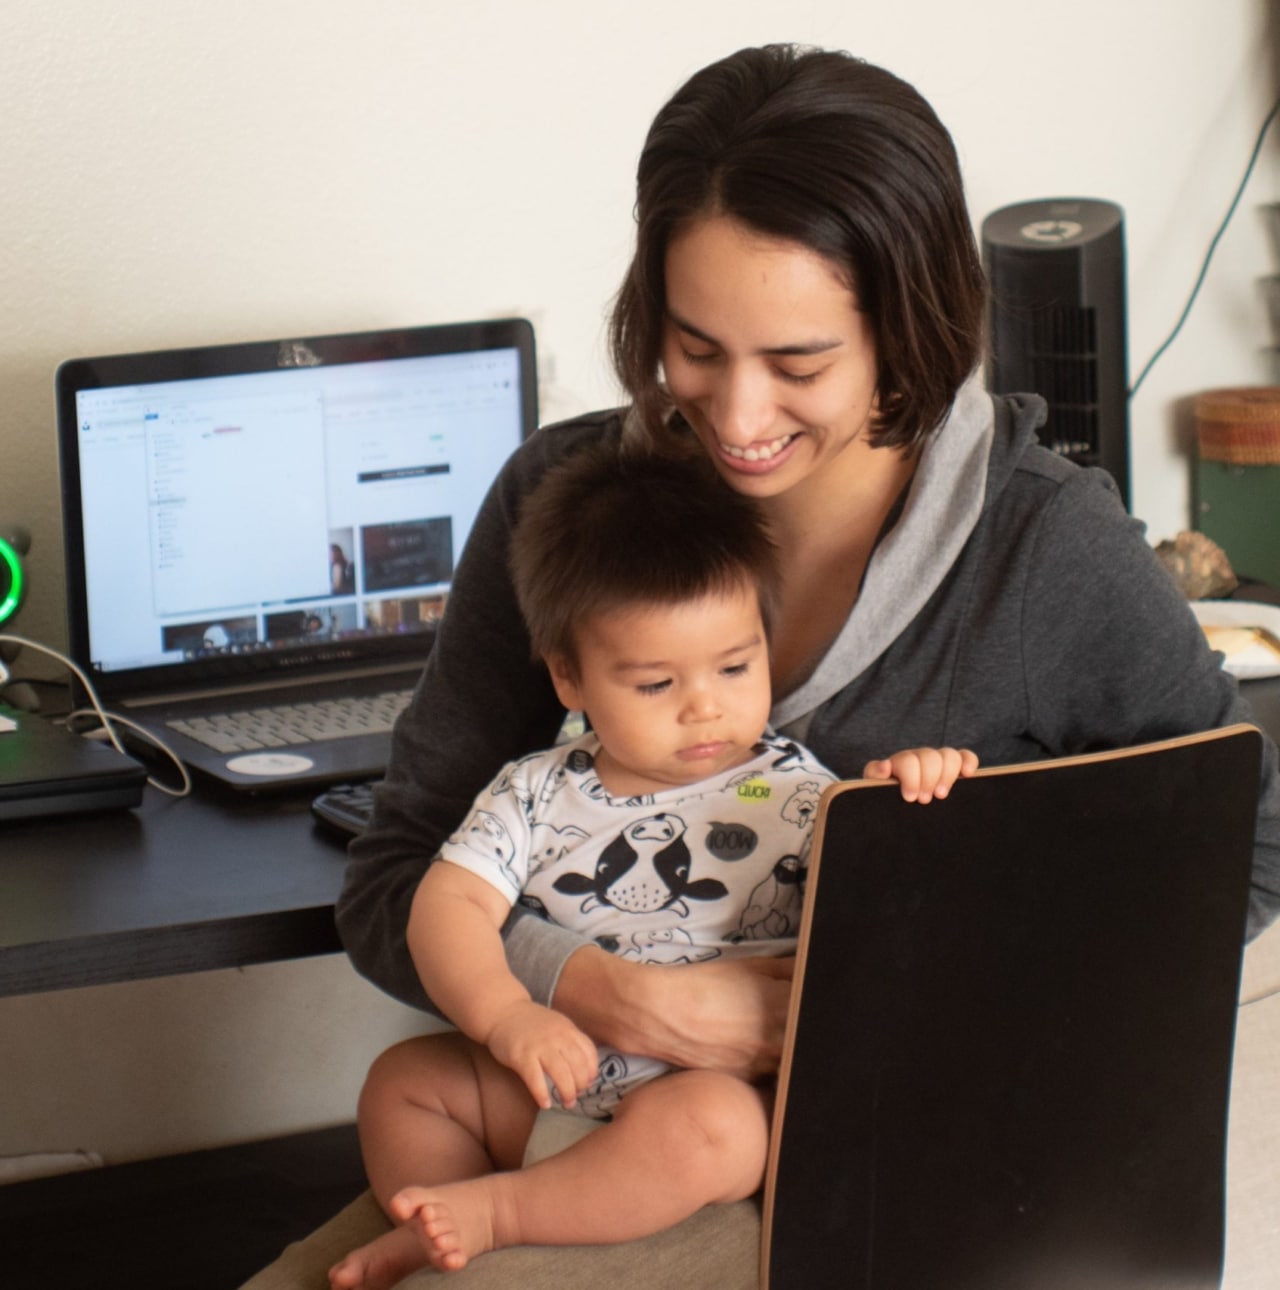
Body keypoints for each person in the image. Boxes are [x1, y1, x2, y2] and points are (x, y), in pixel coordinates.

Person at [324, 40, 1280, 1289]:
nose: (734, 419)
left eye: (799, 363)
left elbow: (1238, 849)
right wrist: (596, 990)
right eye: (695, 347)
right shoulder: (564, 507)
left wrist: (880, 1008)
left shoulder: (1040, 549)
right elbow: (393, 881)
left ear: (907, 327)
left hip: (895, 1166)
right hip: (586, 1124)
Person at [329, 443, 977, 1287]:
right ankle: (441, 1229)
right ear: (570, 677)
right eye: (653, 684)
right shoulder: (531, 792)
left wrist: (911, 798)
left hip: (692, 1106)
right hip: (554, 1082)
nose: (705, 705)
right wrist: (504, 1019)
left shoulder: (798, 793)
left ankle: (500, 1216)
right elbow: (443, 907)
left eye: (736, 666)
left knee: (722, 1129)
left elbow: (897, 907)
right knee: (402, 1084)